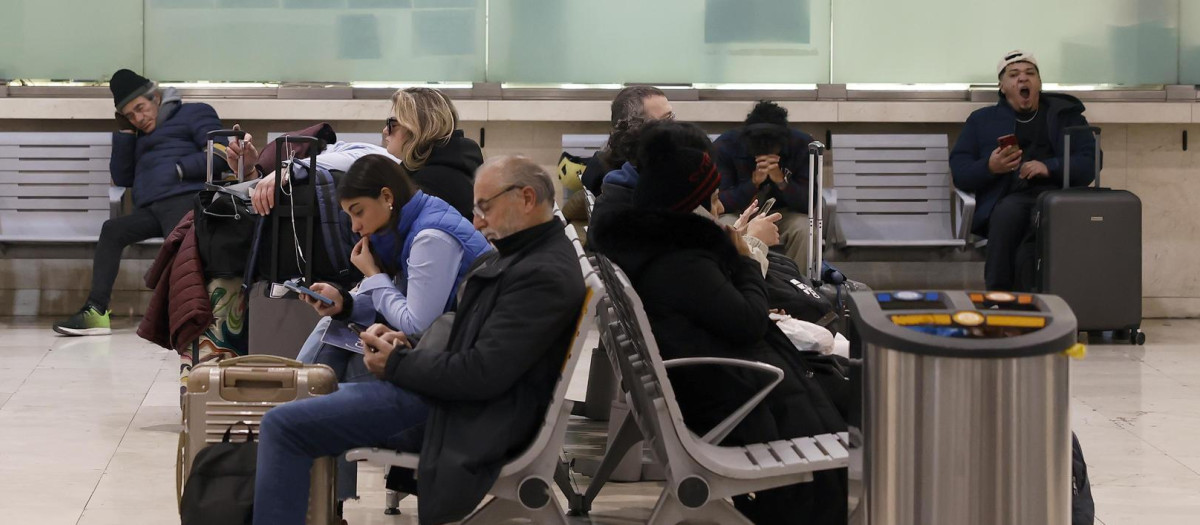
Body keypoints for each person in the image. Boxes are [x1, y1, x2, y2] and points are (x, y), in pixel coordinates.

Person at [252, 155, 586, 525]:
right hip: (454, 401)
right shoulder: (529, 256)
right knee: (309, 395)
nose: (477, 222)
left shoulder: (540, 273)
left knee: (285, 423)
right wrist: (405, 346)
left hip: (457, 417)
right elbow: (476, 344)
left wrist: (397, 362)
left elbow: (482, 372)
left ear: (526, 198)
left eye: (485, 208)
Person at [590, 121, 846, 525]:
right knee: (860, 394)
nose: (718, 210)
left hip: (715, 389)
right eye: (711, 200)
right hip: (738, 402)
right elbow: (748, 322)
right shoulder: (682, 261)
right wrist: (744, 260)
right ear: (690, 203)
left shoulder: (654, 247)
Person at [53, 69, 229, 336]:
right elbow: (123, 177)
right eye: (130, 115)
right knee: (112, 230)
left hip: (186, 200)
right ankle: (96, 312)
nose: (138, 118)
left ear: (156, 98)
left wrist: (180, 169)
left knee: (177, 241)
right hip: (150, 209)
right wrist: (125, 134)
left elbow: (222, 154)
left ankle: (191, 314)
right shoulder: (138, 135)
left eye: (140, 108)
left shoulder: (194, 112)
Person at [293, 154, 492, 383]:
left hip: (455, 356)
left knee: (333, 374)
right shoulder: (408, 222)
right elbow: (401, 299)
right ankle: (299, 393)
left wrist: (373, 274)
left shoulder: (430, 238)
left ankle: (297, 395)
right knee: (332, 330)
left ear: (387, 196)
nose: (355, 226)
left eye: (359, 212)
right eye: (349, 216)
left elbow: (416, 324)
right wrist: (345, 303)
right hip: (440, 344)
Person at [950, 50, 1098, 291]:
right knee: (1012, 217)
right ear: (1002, 86)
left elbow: (1090, 161)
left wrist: (1050, 167)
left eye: (1030, 73)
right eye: (1013, 74)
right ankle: (1003, 296)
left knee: (1038, 225)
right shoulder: (982, 121)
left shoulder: (1065, 116)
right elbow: (960, 172)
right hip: (1006, 199)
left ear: (1039, 82)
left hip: (1057, 197)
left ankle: (1014, 298)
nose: (1022, 78)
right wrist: (990, 167)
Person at [228, 87, 481, 219]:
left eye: (392, 124)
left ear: (417, 127)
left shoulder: (431, 184)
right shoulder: (443, 169)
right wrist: (255, 173)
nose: (385, 130)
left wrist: (288, 169)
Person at [713, 100, 816, 266]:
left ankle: (798, 280)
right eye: (759, 146)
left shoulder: (801, 145)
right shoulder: (726, 146)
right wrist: (752, 183)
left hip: (783, 214)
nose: (765, 149)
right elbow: (721, 203)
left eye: (772, 146)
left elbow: (809, 203)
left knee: (805, 229)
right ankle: (734, 279)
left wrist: (781, 181)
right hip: (739, 213)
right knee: (724, 227)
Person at [579, 85, 675, 195]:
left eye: (672, 117)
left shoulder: (603, 163)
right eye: (667, 119)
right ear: (636, 129)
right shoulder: (631, 185)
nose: (675, 125)